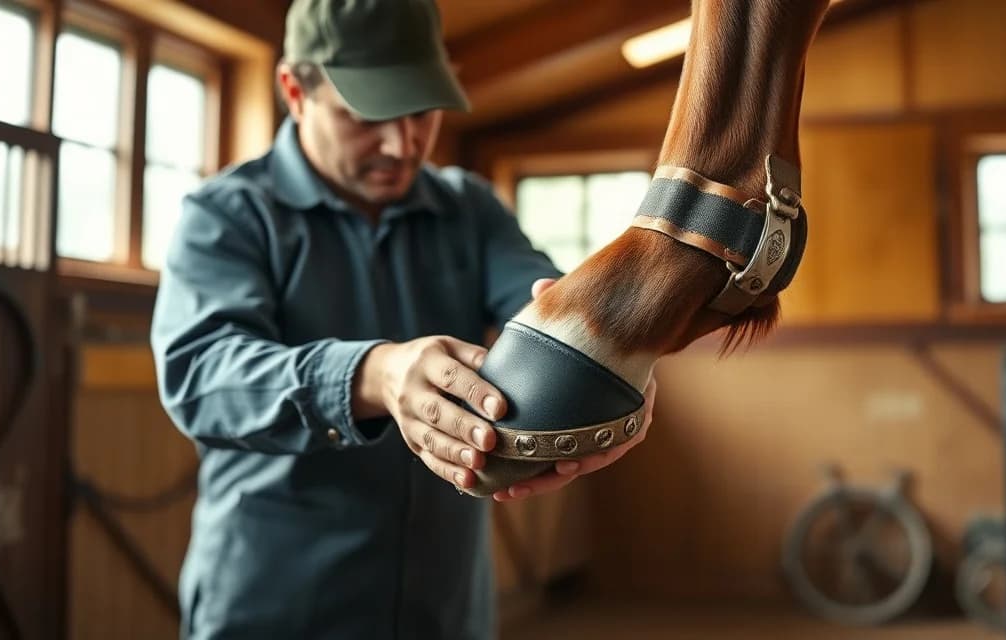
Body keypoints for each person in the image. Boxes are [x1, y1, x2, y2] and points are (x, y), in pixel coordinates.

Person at [150, 0, 655, 637]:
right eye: (367, 115)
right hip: (273, 606)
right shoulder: (227, 216)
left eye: (421, 111)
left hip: (441, 610)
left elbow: (544, 313)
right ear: (293, 91)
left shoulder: (470, 211)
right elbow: (199, 376)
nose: (403, 142)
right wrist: (373, 374)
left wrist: (606, 365)